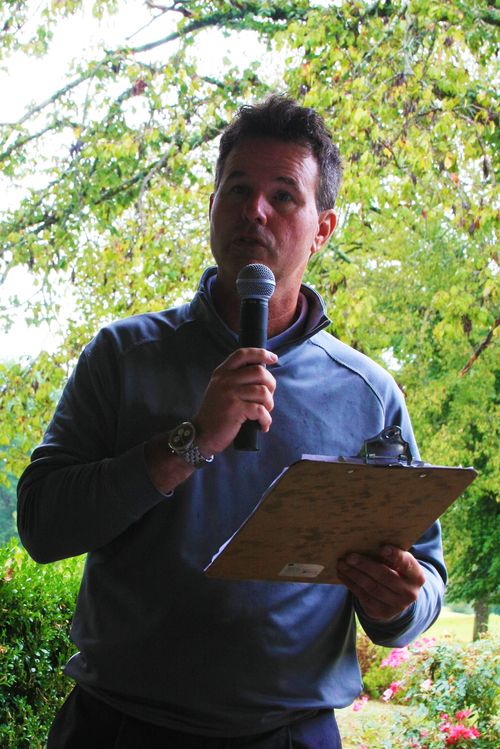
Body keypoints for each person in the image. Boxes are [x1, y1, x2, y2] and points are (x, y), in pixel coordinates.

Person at [17, 95, 446, 748]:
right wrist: (187, 443)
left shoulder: (368, 395)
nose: (255, 211)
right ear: (212, 203)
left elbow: (424, 575)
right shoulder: (124, 356)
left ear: (323, 228)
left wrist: (401, 605)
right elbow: (42, 525)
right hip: (119, 726)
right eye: (238, 189)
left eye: (284, 196)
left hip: (291, 734)